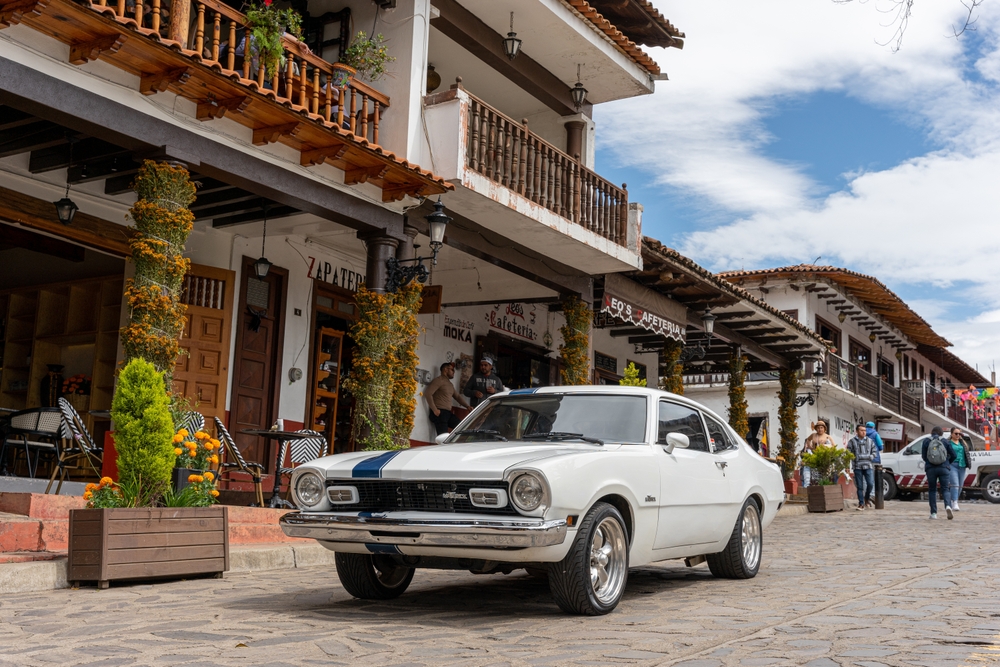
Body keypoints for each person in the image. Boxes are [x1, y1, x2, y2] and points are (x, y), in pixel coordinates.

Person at [424, 362, 470, 436]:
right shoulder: (438, 380)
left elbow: (457, 397)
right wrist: (434, 409)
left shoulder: (450, 384)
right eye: (452, 370)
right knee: (443, 436)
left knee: (461, 427)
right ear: (445, 370)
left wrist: (467, 406)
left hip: (448, 413)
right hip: (440, 412)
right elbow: (428, 394)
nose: (454, 372)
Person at [922, 426, 956, 520]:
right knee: (945, 489)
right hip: (944, 468)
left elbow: (924, 456)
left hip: (931, 469)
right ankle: (948, 506)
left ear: (931, 432)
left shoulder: (926, 441)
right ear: (941, 433)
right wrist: (947, 463)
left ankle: (933, 513)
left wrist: (930, 462)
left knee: (932, 490)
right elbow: (954, 455)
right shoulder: (945, 441)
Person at [847, 423, 877, 511]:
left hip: (868, 466)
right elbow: (848, 453)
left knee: (870, 484)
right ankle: (861, 503)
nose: (864, 432)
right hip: (857, 467)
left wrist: (871, 457)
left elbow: (874, 451)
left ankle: (867, 498)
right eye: (861, 430)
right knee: (860, 486)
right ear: (857, 431)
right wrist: (853, 459)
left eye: (865, 430)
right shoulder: (852, 441)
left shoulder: (870, 441)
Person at [802, 420, 835, 488]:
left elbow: (833, 446)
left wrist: (826, 447)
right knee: (813, 474)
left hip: (823, 458)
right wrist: (810, 447)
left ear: (824, 429)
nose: (820, 429)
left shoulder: (827, 437)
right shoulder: (813, 435)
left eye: (821, 427)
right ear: (816, 428)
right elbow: (808, 440)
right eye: (818, 428)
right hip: (814, 457)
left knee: (823, 474)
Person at [947, 427, 971, 512]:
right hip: (952, 465)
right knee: (955, 484)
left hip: (962, 465)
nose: (958, 435)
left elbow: (967, 454)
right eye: (956, 433)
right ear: (951, 434)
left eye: (959, 434)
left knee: (960, 486)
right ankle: (955, 502)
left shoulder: (963, 443)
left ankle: (949, 502)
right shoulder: (948, 443)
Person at [865, 421, 885, 507]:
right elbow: (880, 447)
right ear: (874, 427)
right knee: (872, 477)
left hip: (864, 459)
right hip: (874, 459)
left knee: (865, 478)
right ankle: (872, 495)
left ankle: (866, 496)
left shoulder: (863, 434)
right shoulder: (876, 434)